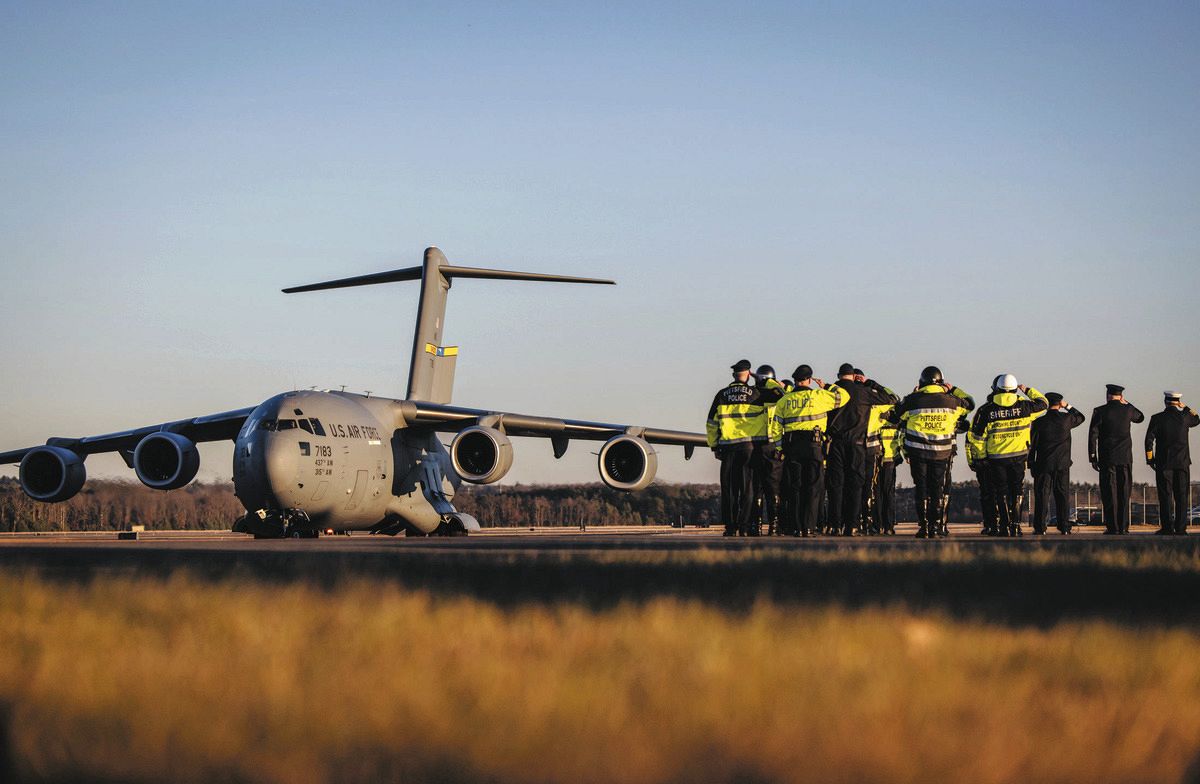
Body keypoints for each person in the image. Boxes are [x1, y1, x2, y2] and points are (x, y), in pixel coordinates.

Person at [888, 366, 975, 538]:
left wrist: (912, 397)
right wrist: (953, 389)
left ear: (921, 383)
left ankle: (924, 527)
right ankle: (936, 526)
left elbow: (894, 417)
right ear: (942, 382)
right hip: (942, 452)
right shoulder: (952, 401)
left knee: (921, 488)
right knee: (937, 489)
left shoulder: (912, 400)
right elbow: (970, 403)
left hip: (918, 452)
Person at [771, 365, 849, 536]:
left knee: (795, 487)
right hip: (813, 445)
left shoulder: (784, 400)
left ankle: (796, 527)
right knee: (813, 487)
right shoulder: (818, 396)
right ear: (808, 379)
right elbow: (844, 396)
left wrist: (779, 448)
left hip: (791, 446)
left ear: (795, 380)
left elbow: (775, 427)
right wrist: (827, 386)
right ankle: (808, 527)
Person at [825, 363, 900, 536]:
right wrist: (870, 383)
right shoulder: (864, 392)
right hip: (858, 443)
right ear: (853, 376)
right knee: (856, 485)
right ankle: (852, 525)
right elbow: (892, 398)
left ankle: (835, 525)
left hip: (836, 443)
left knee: (836, 485)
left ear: (838, 375)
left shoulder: (832, 392)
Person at [970, 374, 1048, 536]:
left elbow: (977, 439)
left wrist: (980, 458)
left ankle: (1004, 526)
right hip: (1019, 457)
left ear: (996, 388)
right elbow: (1044, 403)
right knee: (1017, 491)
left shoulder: (986, 410)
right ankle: (1016, 525)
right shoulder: (1025, 407)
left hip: (996, 458)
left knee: (1001, 491)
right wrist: (1026, 389)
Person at [706, 359, 771, 536]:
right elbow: (781, 396)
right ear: (749, 374)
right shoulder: (757, 394)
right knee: (747, 489)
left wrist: (714, 445)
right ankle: (743, 526)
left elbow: (711, 423)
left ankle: (730, 527)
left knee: (729, 490)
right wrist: (765, 380)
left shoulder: (722, 394)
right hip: (749, 448)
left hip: (727, 449)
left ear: (734, 374)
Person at [1088, 384, 1144, 535]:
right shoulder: (1128, 410)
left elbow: (1093, 434)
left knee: (1109, 492)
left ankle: (1112, 527)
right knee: (1124, 492)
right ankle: (1124, 527)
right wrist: (1128, 404)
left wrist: (1093, 456)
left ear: (1107, 395)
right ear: (1120, 396)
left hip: (1107, 458)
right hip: (1125, 458)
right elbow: (1140, 417)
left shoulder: (1099, 411)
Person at [1029, 392, 1086, 534]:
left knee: (1042, 496)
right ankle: (1064, 526)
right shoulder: (1067, 419)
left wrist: (1031, 464)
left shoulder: (1038, 422)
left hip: (1043, 464)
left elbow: (1032, 445)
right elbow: (1081, 417)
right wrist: (1067, 406)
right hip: (1062, 464)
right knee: (1062, 496)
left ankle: (1040, 527)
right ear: (1059, 404)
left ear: (1047, 405)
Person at [1145, 391, 1200, 535]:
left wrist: (1150, 459)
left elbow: (1148, 441)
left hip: (1164, 464)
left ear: (1165, 401)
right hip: (1182, 463)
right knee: (1182, 497)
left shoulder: (1157, 418)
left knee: (1165, 496)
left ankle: (1167, 528)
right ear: (1177, 402)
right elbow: (1197, 419)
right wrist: (1186, 407)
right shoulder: (1185, 417)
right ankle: (1181, 528)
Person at [859, 368, 898, 535]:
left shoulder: (863, 406)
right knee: (883, 493)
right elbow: (894, 398)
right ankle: (885, 526)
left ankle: (878, 525)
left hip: (876, 453)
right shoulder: (879, 406)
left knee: (874, 491)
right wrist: (873, 384)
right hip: (884, 455)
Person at [750, 365, 787, 536]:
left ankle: (755, 526)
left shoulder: (751, 395)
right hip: (771, 446)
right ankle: (774, 525)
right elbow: (784, 396)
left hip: (754, 446)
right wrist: (775, 384)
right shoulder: (776, 394)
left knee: (756, 489)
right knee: (773, 489)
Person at [876, 413, 904, 535]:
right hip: (890, 460)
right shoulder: (896, 419)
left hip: (876, 459)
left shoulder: (876, 417)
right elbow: (901, 439)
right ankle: (889, 526)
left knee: (876, 494)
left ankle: (877, 525)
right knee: (888, 494)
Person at [966, 425, 995, 535]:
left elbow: (968, 447)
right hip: (995, 460)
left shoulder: (972, 429)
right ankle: (1002, 522)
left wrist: (971, 463)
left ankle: (989, 524)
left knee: (986, 495)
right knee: (999, 493)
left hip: (980, 463)